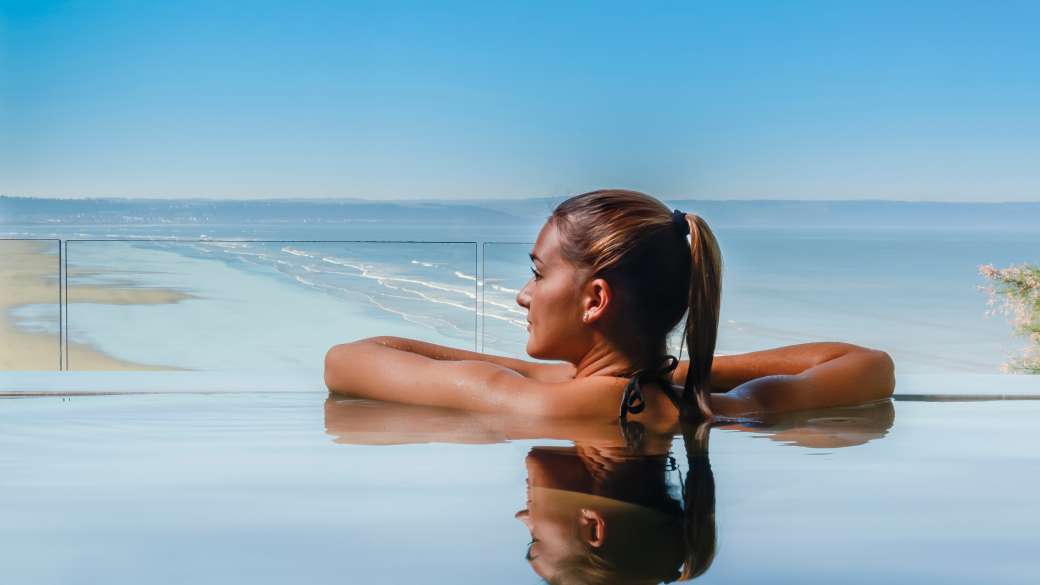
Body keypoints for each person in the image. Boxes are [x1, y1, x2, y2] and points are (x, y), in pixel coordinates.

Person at [324, 189, 895, 424]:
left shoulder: (537, 405)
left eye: (537, 273)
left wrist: (522, 372)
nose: (523, 294)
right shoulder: (718, 407)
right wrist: (688, 372)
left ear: (595, 299)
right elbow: (867, 363)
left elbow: (346, 361)